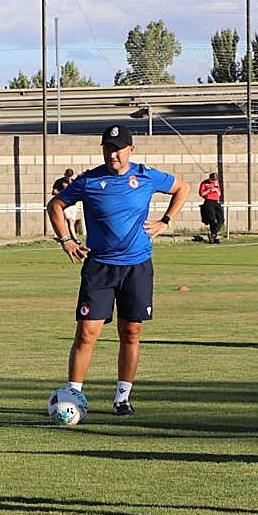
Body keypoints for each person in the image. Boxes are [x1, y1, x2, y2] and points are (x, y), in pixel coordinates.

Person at [47, 123, 189, 416]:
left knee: (131, 331)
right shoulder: (89, 181)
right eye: (108, 149)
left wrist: (166, 221)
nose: (112, 154)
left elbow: (182, 188)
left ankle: (122, 398)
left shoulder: (145, 176)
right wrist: (66, 240)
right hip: (99, 267)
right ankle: (73, 396)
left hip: (137, 266)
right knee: (87, 332)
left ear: (130, 150)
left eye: (118, 149)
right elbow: (56, 205)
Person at [52, 168, 85, 240]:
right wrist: (64, 194)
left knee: (72, 222)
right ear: (65, 174)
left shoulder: (73, 182)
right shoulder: (60, 181)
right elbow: (54, 192)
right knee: (68, 220)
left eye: (70, 176)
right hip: (64, 204)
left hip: (72, 205)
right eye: (68, 175)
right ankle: (71, 237)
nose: (69, 177)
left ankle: (71, 237)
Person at [197, 171, 223, 244]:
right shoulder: (204, 183)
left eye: (216, 180)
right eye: (213, 180)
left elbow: (219, 194)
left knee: (221, 220)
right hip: (208, 202)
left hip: (216, 202)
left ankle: (213, 234)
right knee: (212, 220)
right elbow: (201, 194)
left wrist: (217, 190)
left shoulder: (217, 184)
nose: (214, 182)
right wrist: (209, 190)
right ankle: (214, 237)